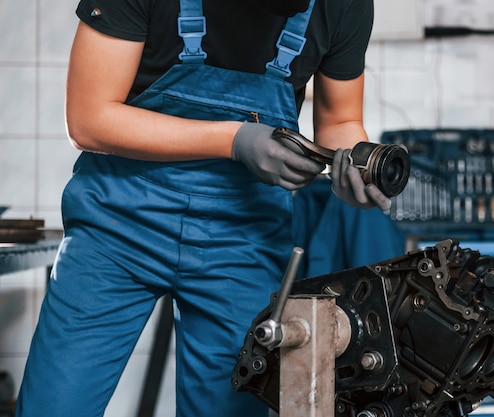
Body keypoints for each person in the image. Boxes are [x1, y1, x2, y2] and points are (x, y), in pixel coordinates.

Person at [15, 0, 389, 416]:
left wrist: (358, 165)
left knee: (228, 406)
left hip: (244, 242)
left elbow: (340, 122)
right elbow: (88, 119)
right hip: (116, 230)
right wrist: (235, 140)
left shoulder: (344, 6)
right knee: (55, 406)